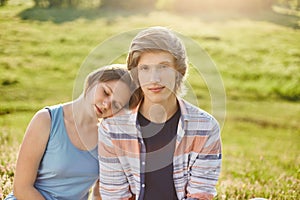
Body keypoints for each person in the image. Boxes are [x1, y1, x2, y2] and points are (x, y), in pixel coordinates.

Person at [98, 26, 222, 200]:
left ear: (180, 71)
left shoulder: (205, 127)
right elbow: (115, 196)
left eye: (163, 67)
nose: (154, 79)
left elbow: (200, 195)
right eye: (145, 68)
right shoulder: (112, 128)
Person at [5, 64, 139, 200]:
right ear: (93, 81)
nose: (106, 104)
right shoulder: (46, 119)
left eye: (116, 105)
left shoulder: (106, 138)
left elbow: (99, 194)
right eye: (105, 92)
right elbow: (21, 188)